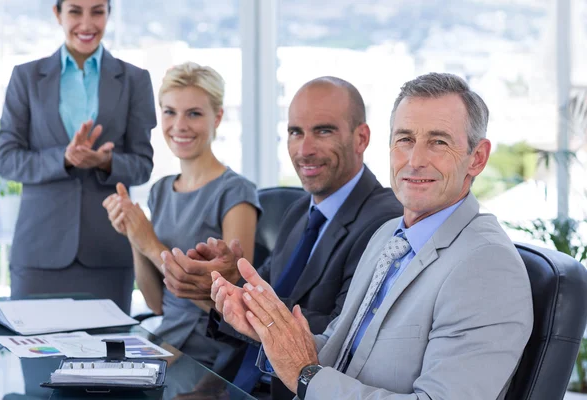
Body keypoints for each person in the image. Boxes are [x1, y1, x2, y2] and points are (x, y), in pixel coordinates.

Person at [211, 72, 534, 400]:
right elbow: (340, 349)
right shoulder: (388, 237)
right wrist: (270, 327)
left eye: (438, 142)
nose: (415, 160)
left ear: (476, 158)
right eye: (405, 139)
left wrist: (305, 376)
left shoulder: (487, 265)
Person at [160, 76, 403, 398]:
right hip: (233, 385)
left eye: (323, 131)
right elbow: (254, 313)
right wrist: (227, 282)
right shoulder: (299, 211)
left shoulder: (385, 222)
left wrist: (243, 294)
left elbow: (341, 332)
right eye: (295, 132)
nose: (304, 150)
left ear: (361, 138)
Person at [0, 0, 155, 313]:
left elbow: (142, 165)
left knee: (107, 361)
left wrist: (105, 162)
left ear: (109, 14)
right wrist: (63, 159)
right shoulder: (26, 78)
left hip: (107, 252)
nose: (86, 23)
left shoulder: (134, 80)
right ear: (57, 14)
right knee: (36, 355)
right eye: (75, 11)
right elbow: (7, 160)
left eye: (97, 11)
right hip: (39, 255)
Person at [102, 61, 261, 372]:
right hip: (165, 339)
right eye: (170, 112)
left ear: (217, 117)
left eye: (194, 113)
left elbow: (235, 305)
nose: (179, 125)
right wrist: (134, 235)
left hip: (211, 349)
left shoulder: (237, 192)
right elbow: (155, 303)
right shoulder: (161, 190)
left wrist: (148, 241)